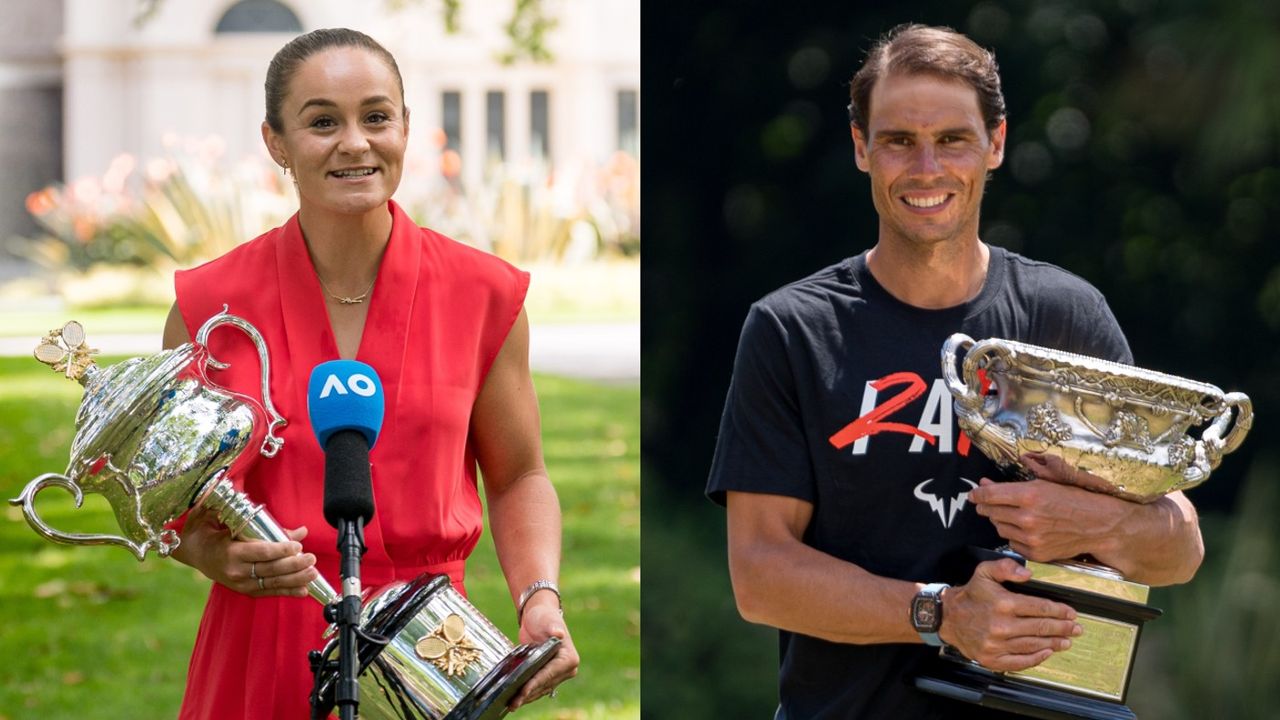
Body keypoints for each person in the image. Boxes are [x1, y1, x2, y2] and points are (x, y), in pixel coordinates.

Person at [705, 24, 1203, 719]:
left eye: (953, 139)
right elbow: (759, 574)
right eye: (899, 140)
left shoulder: (1066, 317)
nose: (927, 167)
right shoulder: (794, 330)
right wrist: (939, 612)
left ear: (995, 144)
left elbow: (1179, 548)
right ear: (861, 149)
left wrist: (1094, 524)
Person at [160, 28, 579, 719]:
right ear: (277, 142)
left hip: (432, 649)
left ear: (406, 129)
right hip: (261, 646)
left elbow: (519, 476)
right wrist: (208, 556)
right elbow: (172, 497)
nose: (354, 142)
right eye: (322, 121)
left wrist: (540, 597)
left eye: (376, 117)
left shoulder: (484, 295)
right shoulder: (210, 308)